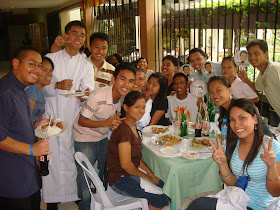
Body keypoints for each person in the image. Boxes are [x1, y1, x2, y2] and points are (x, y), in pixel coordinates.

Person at [187, 98, 280, 210]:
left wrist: (271, 167)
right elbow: (232, 183)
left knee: (199, 205)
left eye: (242, 118)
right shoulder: (234, 144)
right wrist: (223, 164)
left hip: (258, 206)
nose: (236, 125)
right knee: (198, 204)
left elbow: (275, 193)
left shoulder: (272, 147)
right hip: (235, 199)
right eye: (232, 119)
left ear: (255, 118)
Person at [42, 20, 94, 207]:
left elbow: (88, 90)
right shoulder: (51, 59)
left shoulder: (85, 65)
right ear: (66, 36)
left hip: (73, 118)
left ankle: (76, 194)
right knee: (51, 158)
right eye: (74, 33)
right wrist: (56, 85)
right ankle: (51, 200)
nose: (78, 38)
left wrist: (83, 96)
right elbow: (41, 84)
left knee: (74, 157)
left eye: (82, 35)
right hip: (52, 118)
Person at [73, 62, 135, 210]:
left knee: (104, 168)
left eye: (131, 81)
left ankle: (100, 200)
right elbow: (82, 121)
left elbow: (113, 120)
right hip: (84, 136)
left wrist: (113, 124)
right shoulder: (98, 95)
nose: (126, 84)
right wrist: (107, 123)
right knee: (85, 175)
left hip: (101, 136)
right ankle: (85, 205)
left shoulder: (123, 98)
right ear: (113, 79)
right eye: (123, 79)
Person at [0, 46, 50, 209]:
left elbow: (14, 123)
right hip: (13, 175)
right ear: (15, 63)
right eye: (31, 64)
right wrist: (31, 149)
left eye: (39, 66)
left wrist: (36, 125)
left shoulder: (22, 89)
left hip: (27, 171)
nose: (37, 70)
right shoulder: (4, 92)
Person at [106, 91, 169, 210]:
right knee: (160, 197)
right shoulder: (124, 131)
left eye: (143, 107)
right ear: (126, 108)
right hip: (121, 179)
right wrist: (147, 178)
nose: (141, 111)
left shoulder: (132, 125)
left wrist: (150, 172)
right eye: (137, 107)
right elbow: (126, 165)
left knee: (163, 184)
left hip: (128, 173)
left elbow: (136, 158)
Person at [208, 75, 274, 138]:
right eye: (211, 92)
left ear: (229, 90)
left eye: (218, 90)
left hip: (265, 145)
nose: (215, 95)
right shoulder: (224, 108)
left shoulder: (240, 107)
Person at [239, 39, 280, 119]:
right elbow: (257, 88)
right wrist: (246, 79)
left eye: (256, 53)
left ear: (266, 54)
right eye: (250, 54)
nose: (252, 57)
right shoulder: (263, 74)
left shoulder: (273, 69)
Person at [26, 56, 54, 122]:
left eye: (51, 70)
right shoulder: (33, 89)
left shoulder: (39, 90)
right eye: (44, 69)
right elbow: (27, 116)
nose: (49, 73)